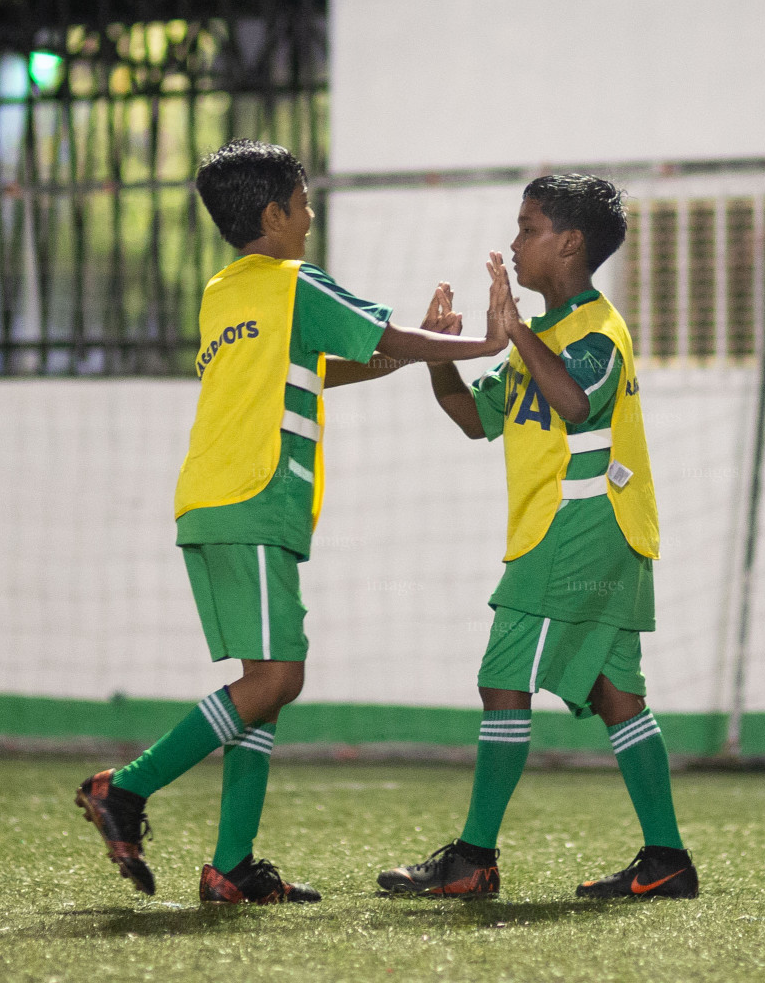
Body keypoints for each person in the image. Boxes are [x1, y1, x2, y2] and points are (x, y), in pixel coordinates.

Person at [74, 139, 515, 905]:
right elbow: (381, 338)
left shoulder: (226, 291)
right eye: (305, 203)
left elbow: (331, 362)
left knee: (261, 684)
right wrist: (482, 341)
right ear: (276, 213)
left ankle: (231, 869)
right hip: (253, 499)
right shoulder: (294, 281)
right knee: (279, 678)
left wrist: (413, 348)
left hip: (214, 503)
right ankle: (126, 787)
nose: (311, 217)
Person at [378, 174, 698, 900]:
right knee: (615, 691)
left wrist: (514, 328)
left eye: (528, 229)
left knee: (502, 679)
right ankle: (667, 859)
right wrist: (442, 353)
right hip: (581, 531)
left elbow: (578, 403)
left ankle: (473, 858)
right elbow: (470, 417)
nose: (515, 244)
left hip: (580, 525)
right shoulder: (545, 339)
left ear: (570, 243)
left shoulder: (594, 330)